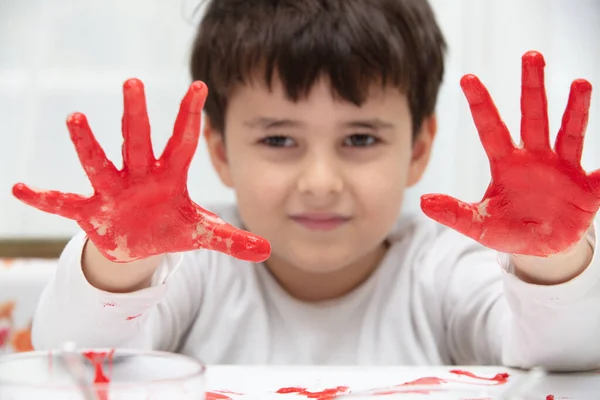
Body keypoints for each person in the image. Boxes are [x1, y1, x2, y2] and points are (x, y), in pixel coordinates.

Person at [12, 0, 600, 370]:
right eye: (278, 140)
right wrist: (118, 265)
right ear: (219, 151)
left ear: (419, 149)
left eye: (361, 140)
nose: (320, 183)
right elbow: (78, 357)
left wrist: (553, 262)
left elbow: (567, 357)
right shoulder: (194, 267)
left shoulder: (443, 269)